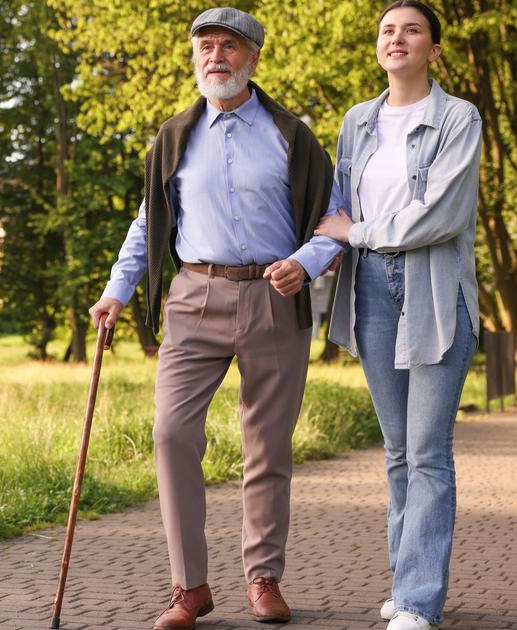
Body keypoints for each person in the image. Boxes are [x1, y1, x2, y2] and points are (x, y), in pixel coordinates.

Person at [87, 7, 344, 629]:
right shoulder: (174, 136)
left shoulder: (292, 135)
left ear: (253, 57)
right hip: (193, 296)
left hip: (273, 294)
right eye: (206, 46)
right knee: (172, 434)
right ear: (194, 57)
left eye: (230, 46)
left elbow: (333, 221)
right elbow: (149, 222)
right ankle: (189, 587)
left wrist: (304, 264)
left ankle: (263, 579)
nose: (216, 56)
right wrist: (117, 290)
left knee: (267, 445)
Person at [310, 2, 483, 629]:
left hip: (434, 289)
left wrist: (356, 233)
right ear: (378, 46)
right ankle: (408, 582)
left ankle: (417, 602)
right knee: (398, 451)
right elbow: (335, 208)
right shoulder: (357, 121)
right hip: (371, 291)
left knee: (428, 451)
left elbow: (441, 215)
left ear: (433, 49)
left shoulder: (458, 118)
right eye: (388, 30)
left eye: (412, 30)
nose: (397, 38)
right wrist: (320, 250)